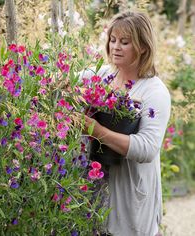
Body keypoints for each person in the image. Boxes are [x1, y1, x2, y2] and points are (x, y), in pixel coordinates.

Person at [81, 11, 171, 236]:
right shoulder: (102, 76)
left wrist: (97, 131)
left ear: (142, 46)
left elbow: (148, 148)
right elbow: (66, 81)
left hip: (130, 193)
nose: (116, 47)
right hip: (96, 189)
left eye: (125, 42)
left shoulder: (154, 91)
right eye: (113, 40)